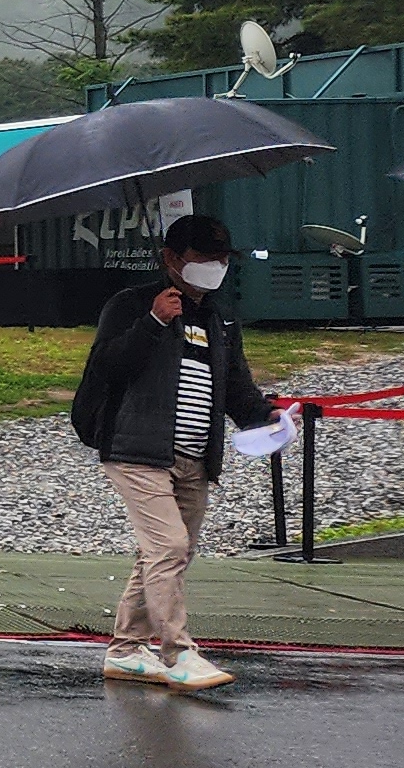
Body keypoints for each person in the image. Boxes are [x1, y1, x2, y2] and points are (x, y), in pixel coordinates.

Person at [76, 213, 274, 692]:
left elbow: (235, 385)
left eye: (222, 258)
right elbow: (106, 367)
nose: (215, 267)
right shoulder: (131, 304)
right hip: (137, 448)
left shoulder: (220, 317)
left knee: (164, 554)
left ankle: (126, 650)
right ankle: (178, 653)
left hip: (194, 455)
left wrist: (265, 417)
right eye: (204, 258)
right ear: (170, 258)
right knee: (168, 546)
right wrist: (153, 322)